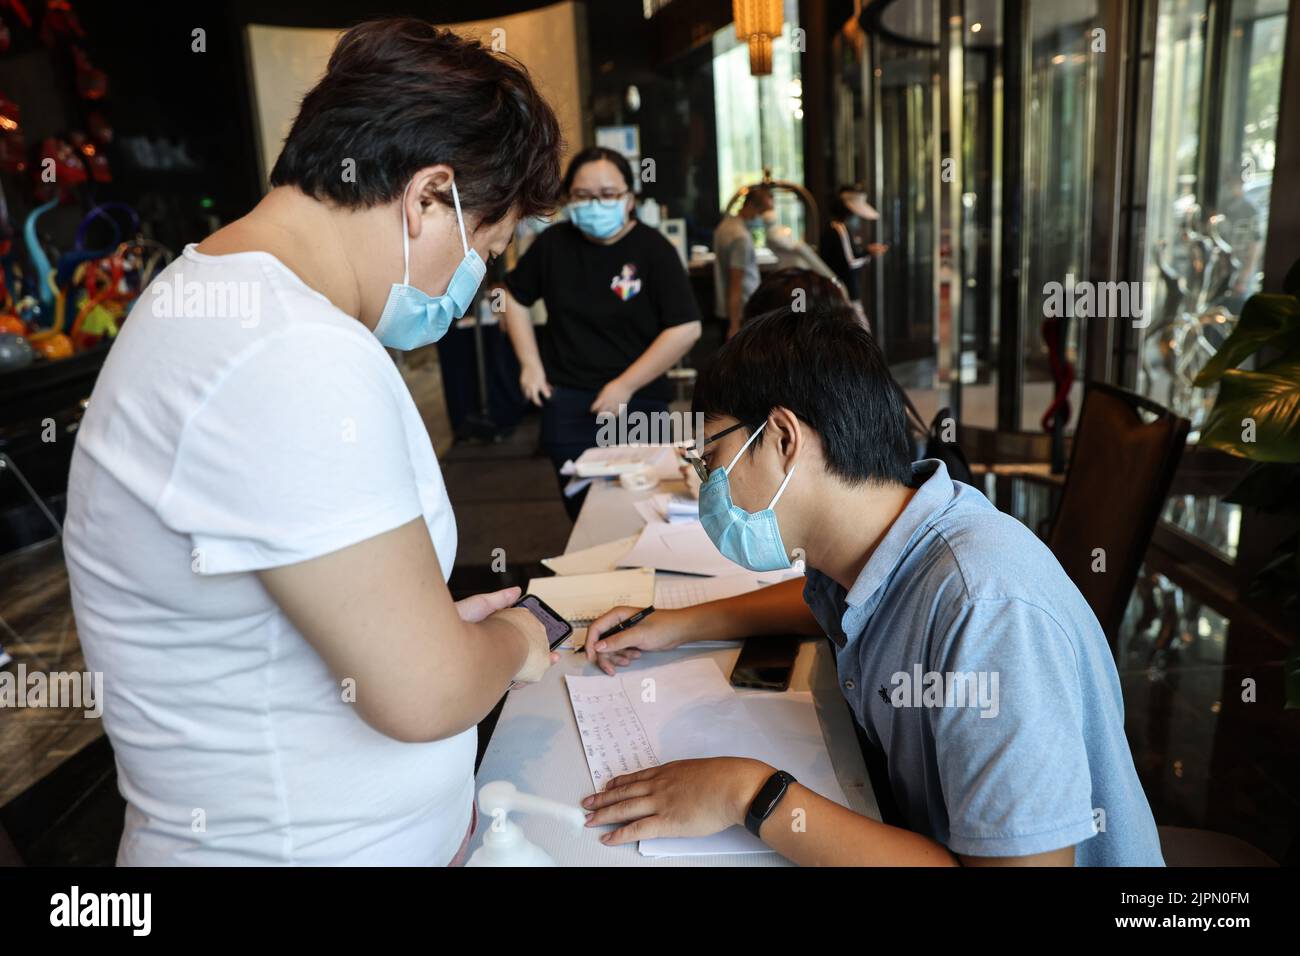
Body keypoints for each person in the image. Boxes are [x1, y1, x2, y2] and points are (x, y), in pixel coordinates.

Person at [63, 19, 563, 866]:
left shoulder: (226, 306)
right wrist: (520, 641)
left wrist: (431, 629)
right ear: (428, 195)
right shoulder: (287, 349)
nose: (472, 279)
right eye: (484, 246)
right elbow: (424, 692)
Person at [580, 308, 1164, 866]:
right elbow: (836, 606)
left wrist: (747, 793)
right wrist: (680, 624)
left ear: (784, 438)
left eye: (712, 458)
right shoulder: (873, 545)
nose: (708, 484)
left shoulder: (987, 606)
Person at [502, 146, 702, 517]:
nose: (596, 203)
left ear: (629, 199)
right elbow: (510, 297)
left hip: (639, 404)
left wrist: (624, 385)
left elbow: (685, 327)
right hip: (568, 404)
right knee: (585, 518)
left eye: (608, 194)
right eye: (583, 196)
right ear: (567, 199)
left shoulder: (654, 250)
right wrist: (530, 365)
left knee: (645, 512)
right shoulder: (552, 245)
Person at [820, 184, 888, 326]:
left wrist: (866, 251)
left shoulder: (837, 227)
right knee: (861, 332)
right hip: (844, 294)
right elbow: (850, 262)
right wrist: (869, 253)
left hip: (842, 293)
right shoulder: (839, 229)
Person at [713, 185, 774, 340]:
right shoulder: (741, 237)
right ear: (751, 206)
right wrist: (735, 325)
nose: (761, 218)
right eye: (761, 213)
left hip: (727, 310)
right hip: (741, 312)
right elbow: (736, 283)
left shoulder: (724, 226)